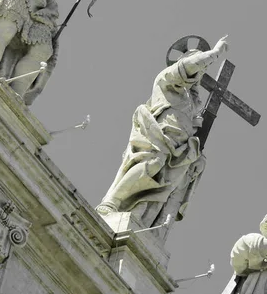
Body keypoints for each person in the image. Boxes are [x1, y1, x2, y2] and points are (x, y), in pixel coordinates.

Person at [96, 36, 229, 223]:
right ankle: (111, 203)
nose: (200, 72)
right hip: (160, 133)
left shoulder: (190, 100)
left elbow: (195, 97)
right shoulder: (167, 77)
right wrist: (214, 54)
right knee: (153, 162)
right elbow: (188, 67)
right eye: (199, 67)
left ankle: (140, 214)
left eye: (203, 70)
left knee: (167, 183)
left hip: (180, 143)